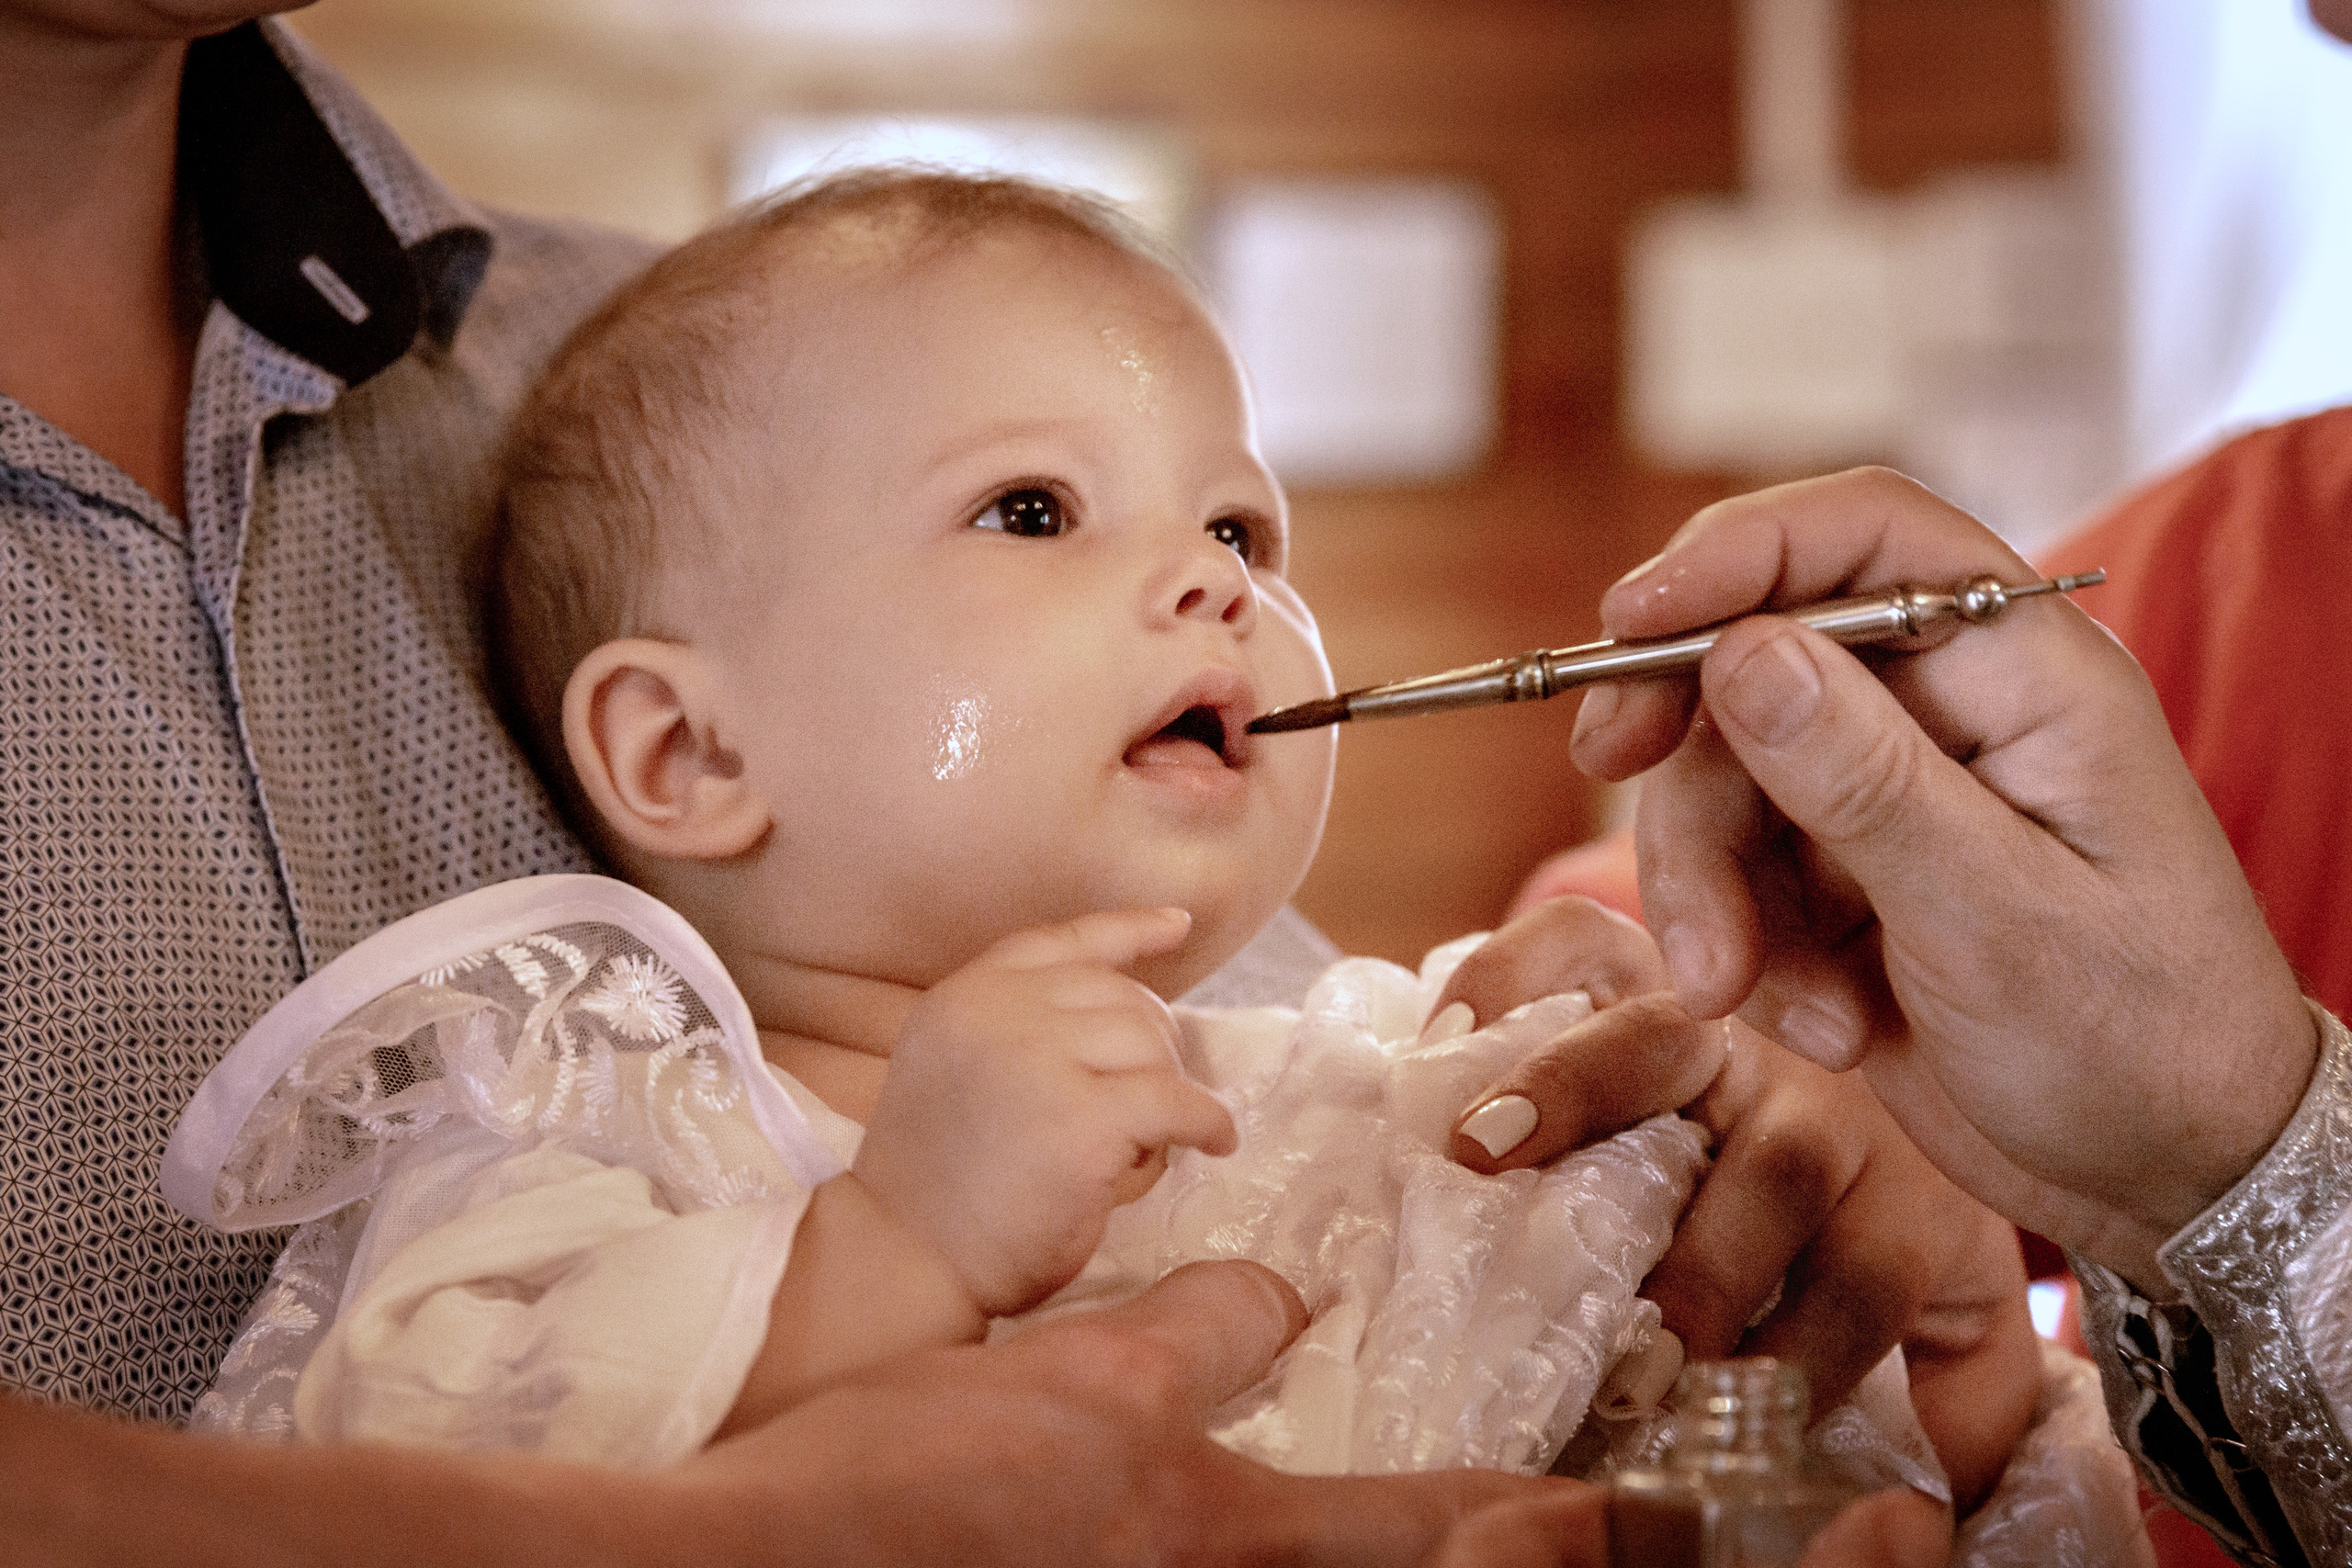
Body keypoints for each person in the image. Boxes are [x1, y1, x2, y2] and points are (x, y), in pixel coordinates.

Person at [0, 2, 2050, 1561]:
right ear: (684, 750)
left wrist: (1905, 1339)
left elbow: (1766, 1447)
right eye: (1034, 510)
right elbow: (428, 1408)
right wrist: (886, 1256)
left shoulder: (1369, 1085)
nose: (1211, 586)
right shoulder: (591, 1121)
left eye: (1244, 535)